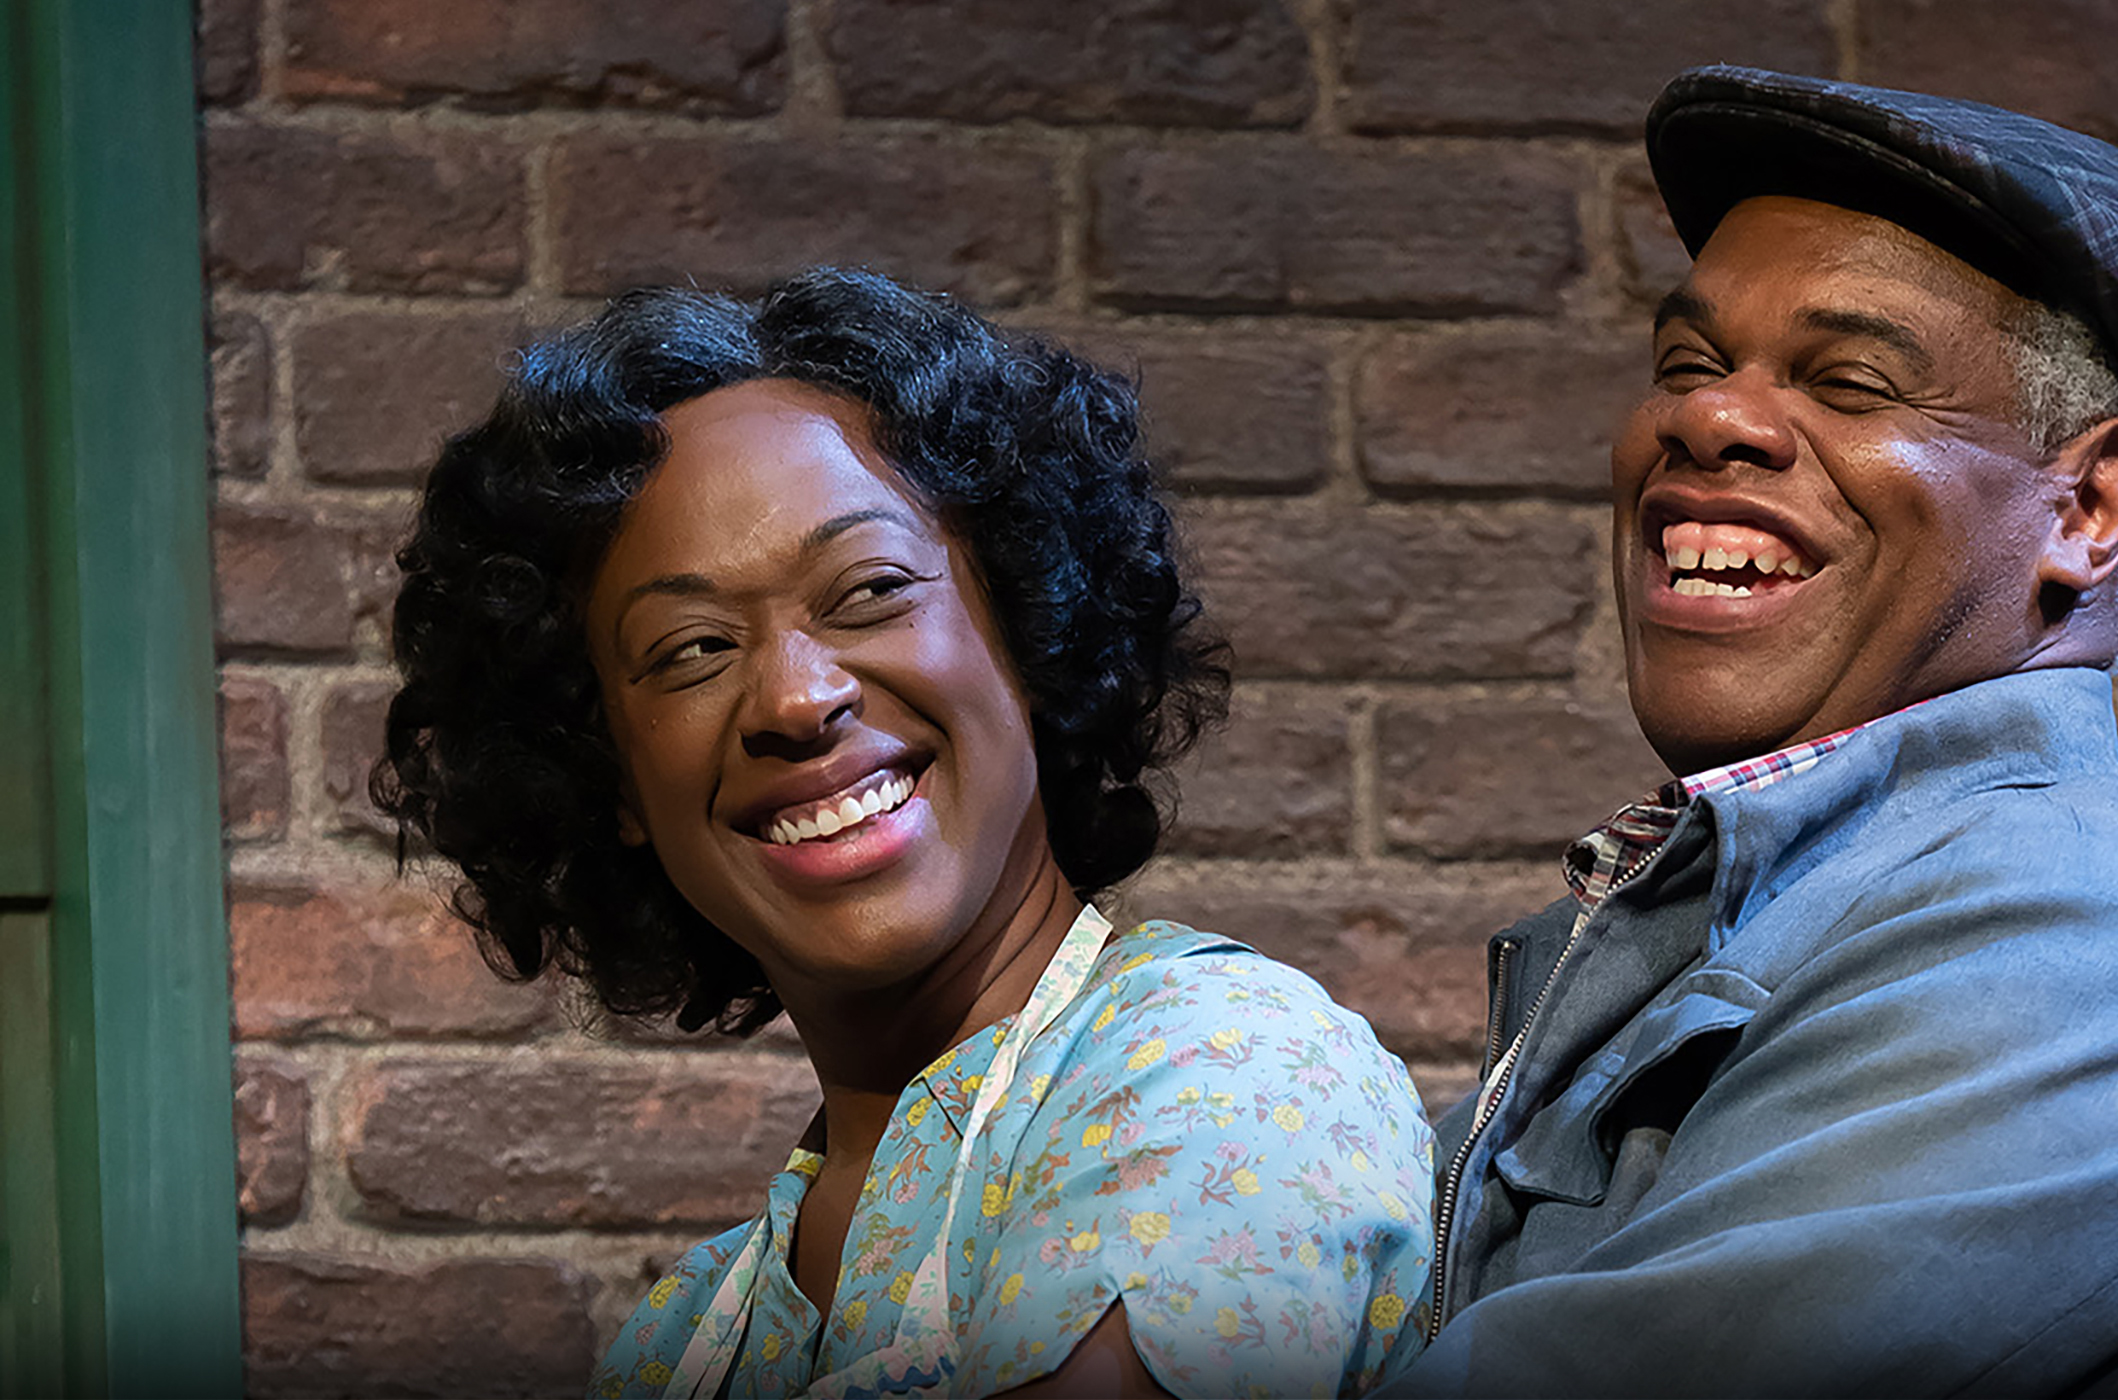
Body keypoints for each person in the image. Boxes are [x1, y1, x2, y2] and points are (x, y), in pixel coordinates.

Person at [1378, 67, 2118, 1397]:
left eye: (1851, 381)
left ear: (2090, 506)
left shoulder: (2076, 964)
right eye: (1688, 363)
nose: (1709, 416)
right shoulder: (1799, 913)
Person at [374, 269, 1433, 1399]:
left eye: (869, 588)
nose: (795, 696)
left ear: (1029, 630)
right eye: (690, 648)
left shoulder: (1218, 1067)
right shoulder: (687, 1335)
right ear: (614, 778)